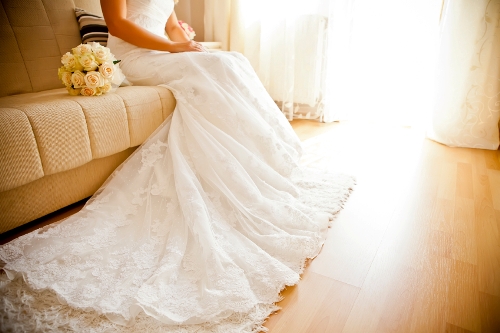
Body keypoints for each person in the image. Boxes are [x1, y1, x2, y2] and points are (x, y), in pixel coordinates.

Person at [0, 0, 354, 331]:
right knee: (220, 65)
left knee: (231, 60)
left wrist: (187, 43)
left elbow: (170, 25)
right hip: (133, 58)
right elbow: (119, 25)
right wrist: (174, 48)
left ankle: (249, 163)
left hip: (160, 51)